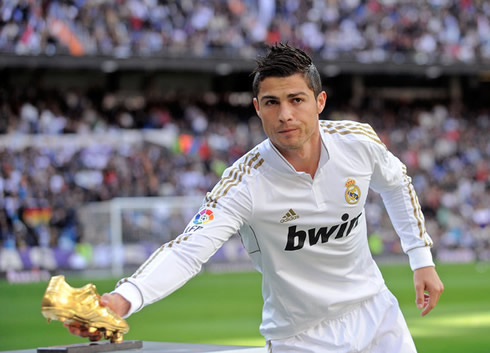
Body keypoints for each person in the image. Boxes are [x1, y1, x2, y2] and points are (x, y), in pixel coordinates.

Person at [68, 43, 444, 352]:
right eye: (271, 103)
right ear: (257, 108)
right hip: (301, 337)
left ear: (320, 102)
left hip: (377, 315)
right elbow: (186, 250)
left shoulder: (358, 142)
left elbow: (396, 183)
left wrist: (421, 258)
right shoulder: (243, 182)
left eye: (297, 100)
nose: (285, 115)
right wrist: (122, 299)